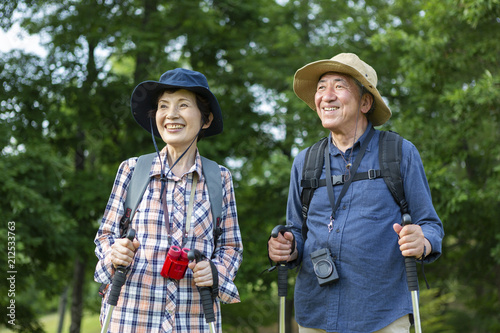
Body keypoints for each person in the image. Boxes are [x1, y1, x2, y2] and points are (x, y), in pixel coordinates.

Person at [268, 53, 444, 332]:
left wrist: (423, 242)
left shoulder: (398, 153)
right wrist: (286, 248)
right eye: (321, 87)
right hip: (315, 314)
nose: (326, 96)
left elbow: (430, 226)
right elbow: (297, 232)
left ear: (365, 102)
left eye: (339, 86)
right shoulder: (305, 161)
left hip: (382, 314)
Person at [94, 68, 243, 332]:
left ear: (206, 119)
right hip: (131, 318)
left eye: (183, 105)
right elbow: (105, 236)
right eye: (163, 106)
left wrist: (215, 272)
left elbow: (231, 246)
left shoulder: (220, 178)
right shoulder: (131, 170)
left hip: (195, 320)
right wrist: (113, 253)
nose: (171, 115)